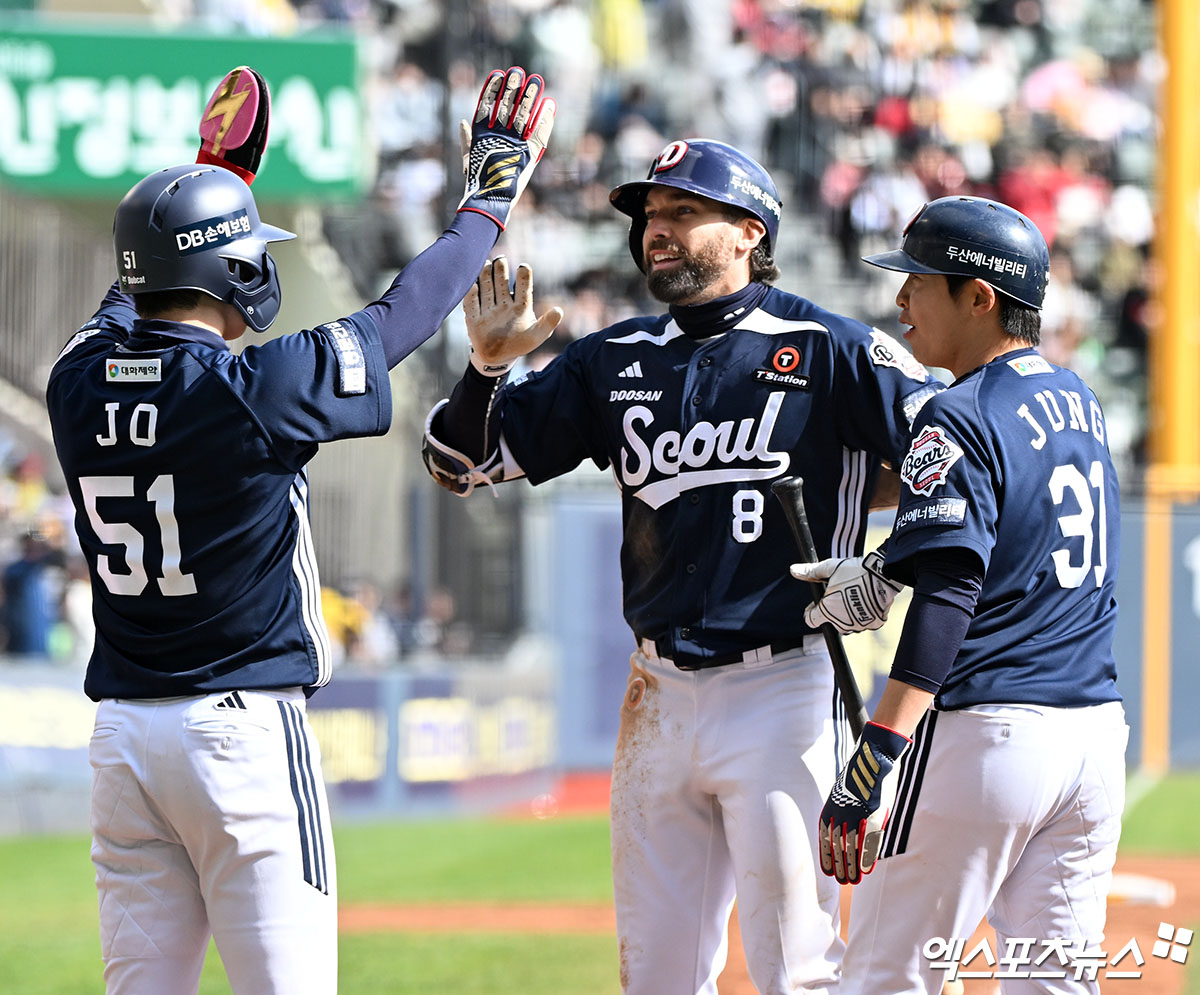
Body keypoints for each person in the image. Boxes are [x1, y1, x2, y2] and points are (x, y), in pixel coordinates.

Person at [45, 63, 553, 995]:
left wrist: (212, 179)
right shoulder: (253, 389)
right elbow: (403, 313)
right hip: (238, 732)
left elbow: (128, 297)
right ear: (226, 269)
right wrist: (491, 197)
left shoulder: (74, 381)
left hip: (123, 738)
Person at [422, 138, 942, 994]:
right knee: (656, 977)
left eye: (682, 211)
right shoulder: (611, 358)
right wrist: (485, 370)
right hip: (656, 691)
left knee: (798, 970)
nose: (656, 229)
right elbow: (460, 463)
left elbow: (956, 462)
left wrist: (886, 565)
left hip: (783, 687)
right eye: (650, 215)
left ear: (749, 231)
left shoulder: (828, 346)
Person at [801, 196, 1125, 995]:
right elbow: (1013, 533)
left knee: (884, 978)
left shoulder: (960, 412)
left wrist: (877, 750)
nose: (900, 299)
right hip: (1092, 736)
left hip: (989, 733)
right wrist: (888, 563)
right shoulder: (1079, 398)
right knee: (1053, 983)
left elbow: (952, 594)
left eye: (919, 281)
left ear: (979, 297)